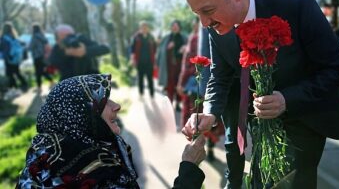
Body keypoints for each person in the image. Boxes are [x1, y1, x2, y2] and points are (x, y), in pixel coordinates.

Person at [181, 0, 339, 188]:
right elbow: (220, 75)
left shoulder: (296, 4)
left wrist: (287, 100)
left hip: (304, 120)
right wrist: (210, 112)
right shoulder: (216, 25)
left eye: (207, 11)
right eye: (197, 14)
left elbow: (338, 66)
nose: (203, 23)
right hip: (259, 130)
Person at [16, 74, 206, 188]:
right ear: (81, 116)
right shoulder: (95, 170)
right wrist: (189, 167)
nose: (117, 106)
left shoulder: (41, 156)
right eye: (103, 102)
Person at [197, 0, 256, 163]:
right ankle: (234, 180)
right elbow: (212, 62)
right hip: (230, 89)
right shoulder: (211, 16)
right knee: (233, 140)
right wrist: (208, 105)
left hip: (261, 94)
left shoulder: (263, 4)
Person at [157, 20, 187, 110]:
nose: (174, 27)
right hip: (169, 66)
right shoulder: (167, 38)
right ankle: (170, 104)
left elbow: (189, 49)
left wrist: (184, 49)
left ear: (179, 27)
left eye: (176, 26)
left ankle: (178, 103)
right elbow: (161, 50)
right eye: (173, 26)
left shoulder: (184, 38)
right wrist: (167, 48)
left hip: (180, 65)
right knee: (169, 85)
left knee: (179, 84)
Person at [130, 21, 157, 98]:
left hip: (149, 61)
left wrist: (155, 61)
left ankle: (152, 94)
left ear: (148, 28)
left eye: (145, 27)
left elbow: (155, 49)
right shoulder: (136, 37)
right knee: (140, 78)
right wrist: (132, 59)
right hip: (140, 61)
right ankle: (141, 94)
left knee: (150, 79)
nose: (144, 28)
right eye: (142, 27)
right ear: (140, 28)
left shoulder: (151, 37)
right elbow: (132, 49)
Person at [0, 22, 28, 91]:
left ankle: (14, 88)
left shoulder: (3, 38)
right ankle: (24, 84)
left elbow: (1, 48)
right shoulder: (14, 37)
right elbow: (23, 44)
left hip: (9, 58)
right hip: (16, 58)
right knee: (16, 72)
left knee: (9, 74)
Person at [28, 23, 54, 91]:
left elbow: (30, 47)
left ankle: (40, 87)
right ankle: (51, 82)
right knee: (42, 71)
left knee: (38, 72)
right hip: (44, 56)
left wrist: (26, 47)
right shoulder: (42, 36)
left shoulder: (34, 37)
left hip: (37, 56)